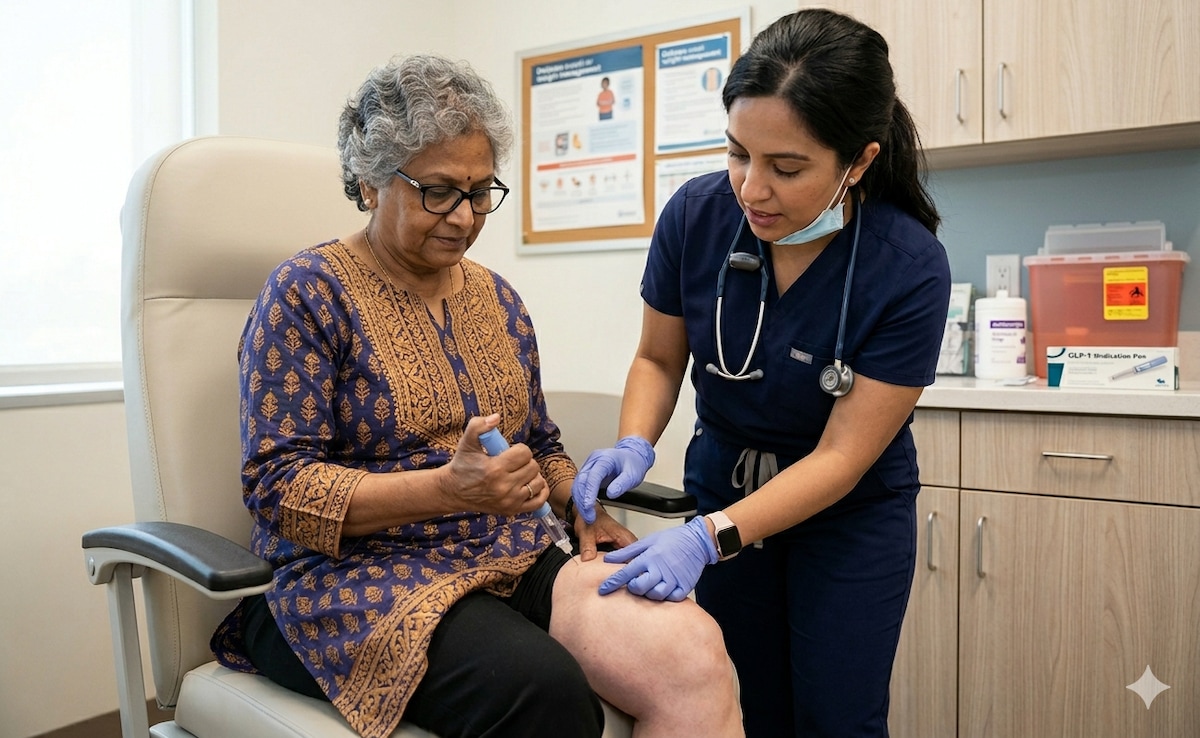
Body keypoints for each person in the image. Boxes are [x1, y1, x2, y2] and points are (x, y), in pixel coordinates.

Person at [209, 54, 742, 738]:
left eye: (481, 190)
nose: (464, 216)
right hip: (353, 580)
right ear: (371, 182)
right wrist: (448, 490)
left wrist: (576, 505)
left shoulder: (497, 300)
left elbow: (537, 444)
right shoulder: (306, 295)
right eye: (438, 191)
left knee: (694, 656)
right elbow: (278, 490)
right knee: (542, 691)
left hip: (508, 554)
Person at [570, 9, 951, 738]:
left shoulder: (906, 268)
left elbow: (841, 458)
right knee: (737, 704)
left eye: (787, 167)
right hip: (720, 483)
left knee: (836, 718)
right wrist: (634, 442)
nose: (752, 188)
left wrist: (709, 537)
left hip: (846, 518)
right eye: (738, 153)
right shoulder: (696, 216)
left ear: (859, 161)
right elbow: (658, 357)